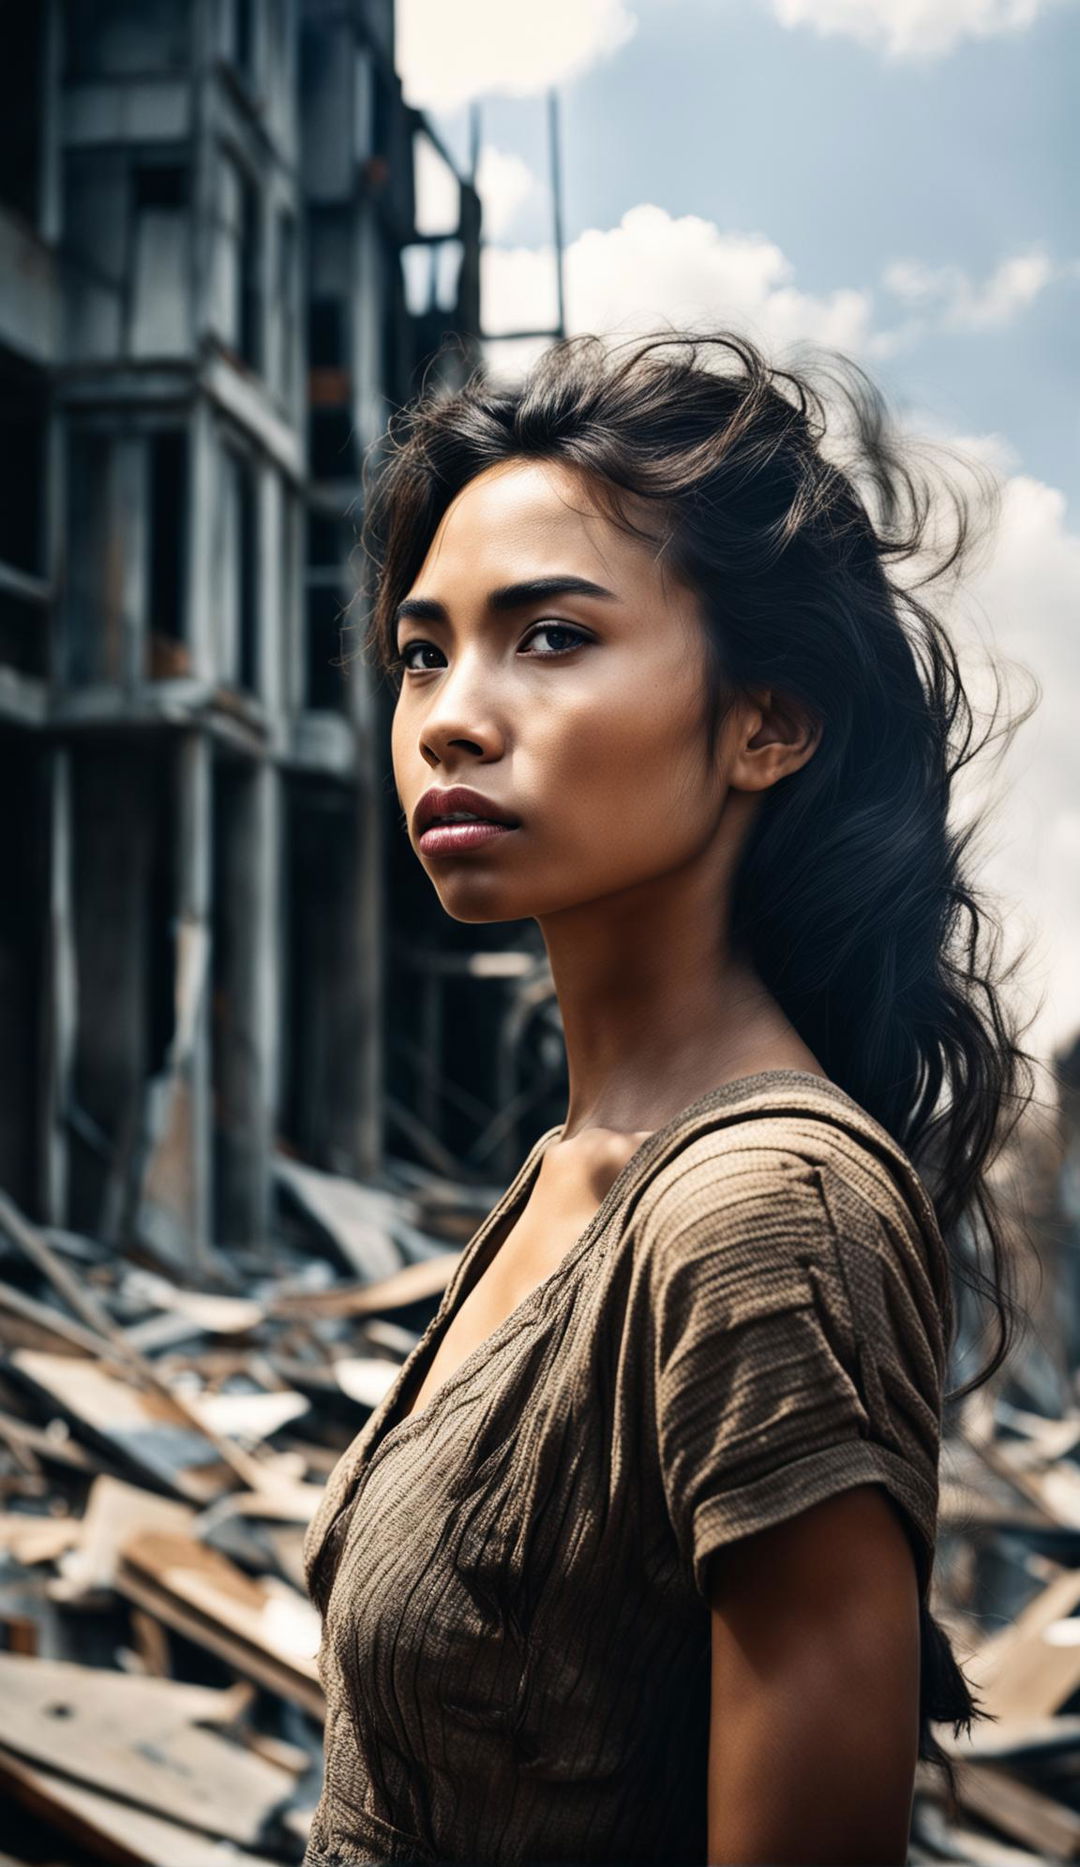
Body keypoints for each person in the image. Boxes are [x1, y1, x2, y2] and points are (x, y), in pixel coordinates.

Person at [301, 329, 1038, 1866]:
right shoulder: (578, 1167)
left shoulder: (762, 1211)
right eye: (423, 652)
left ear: (769, 721)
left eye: (551, 638)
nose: (450, 713)